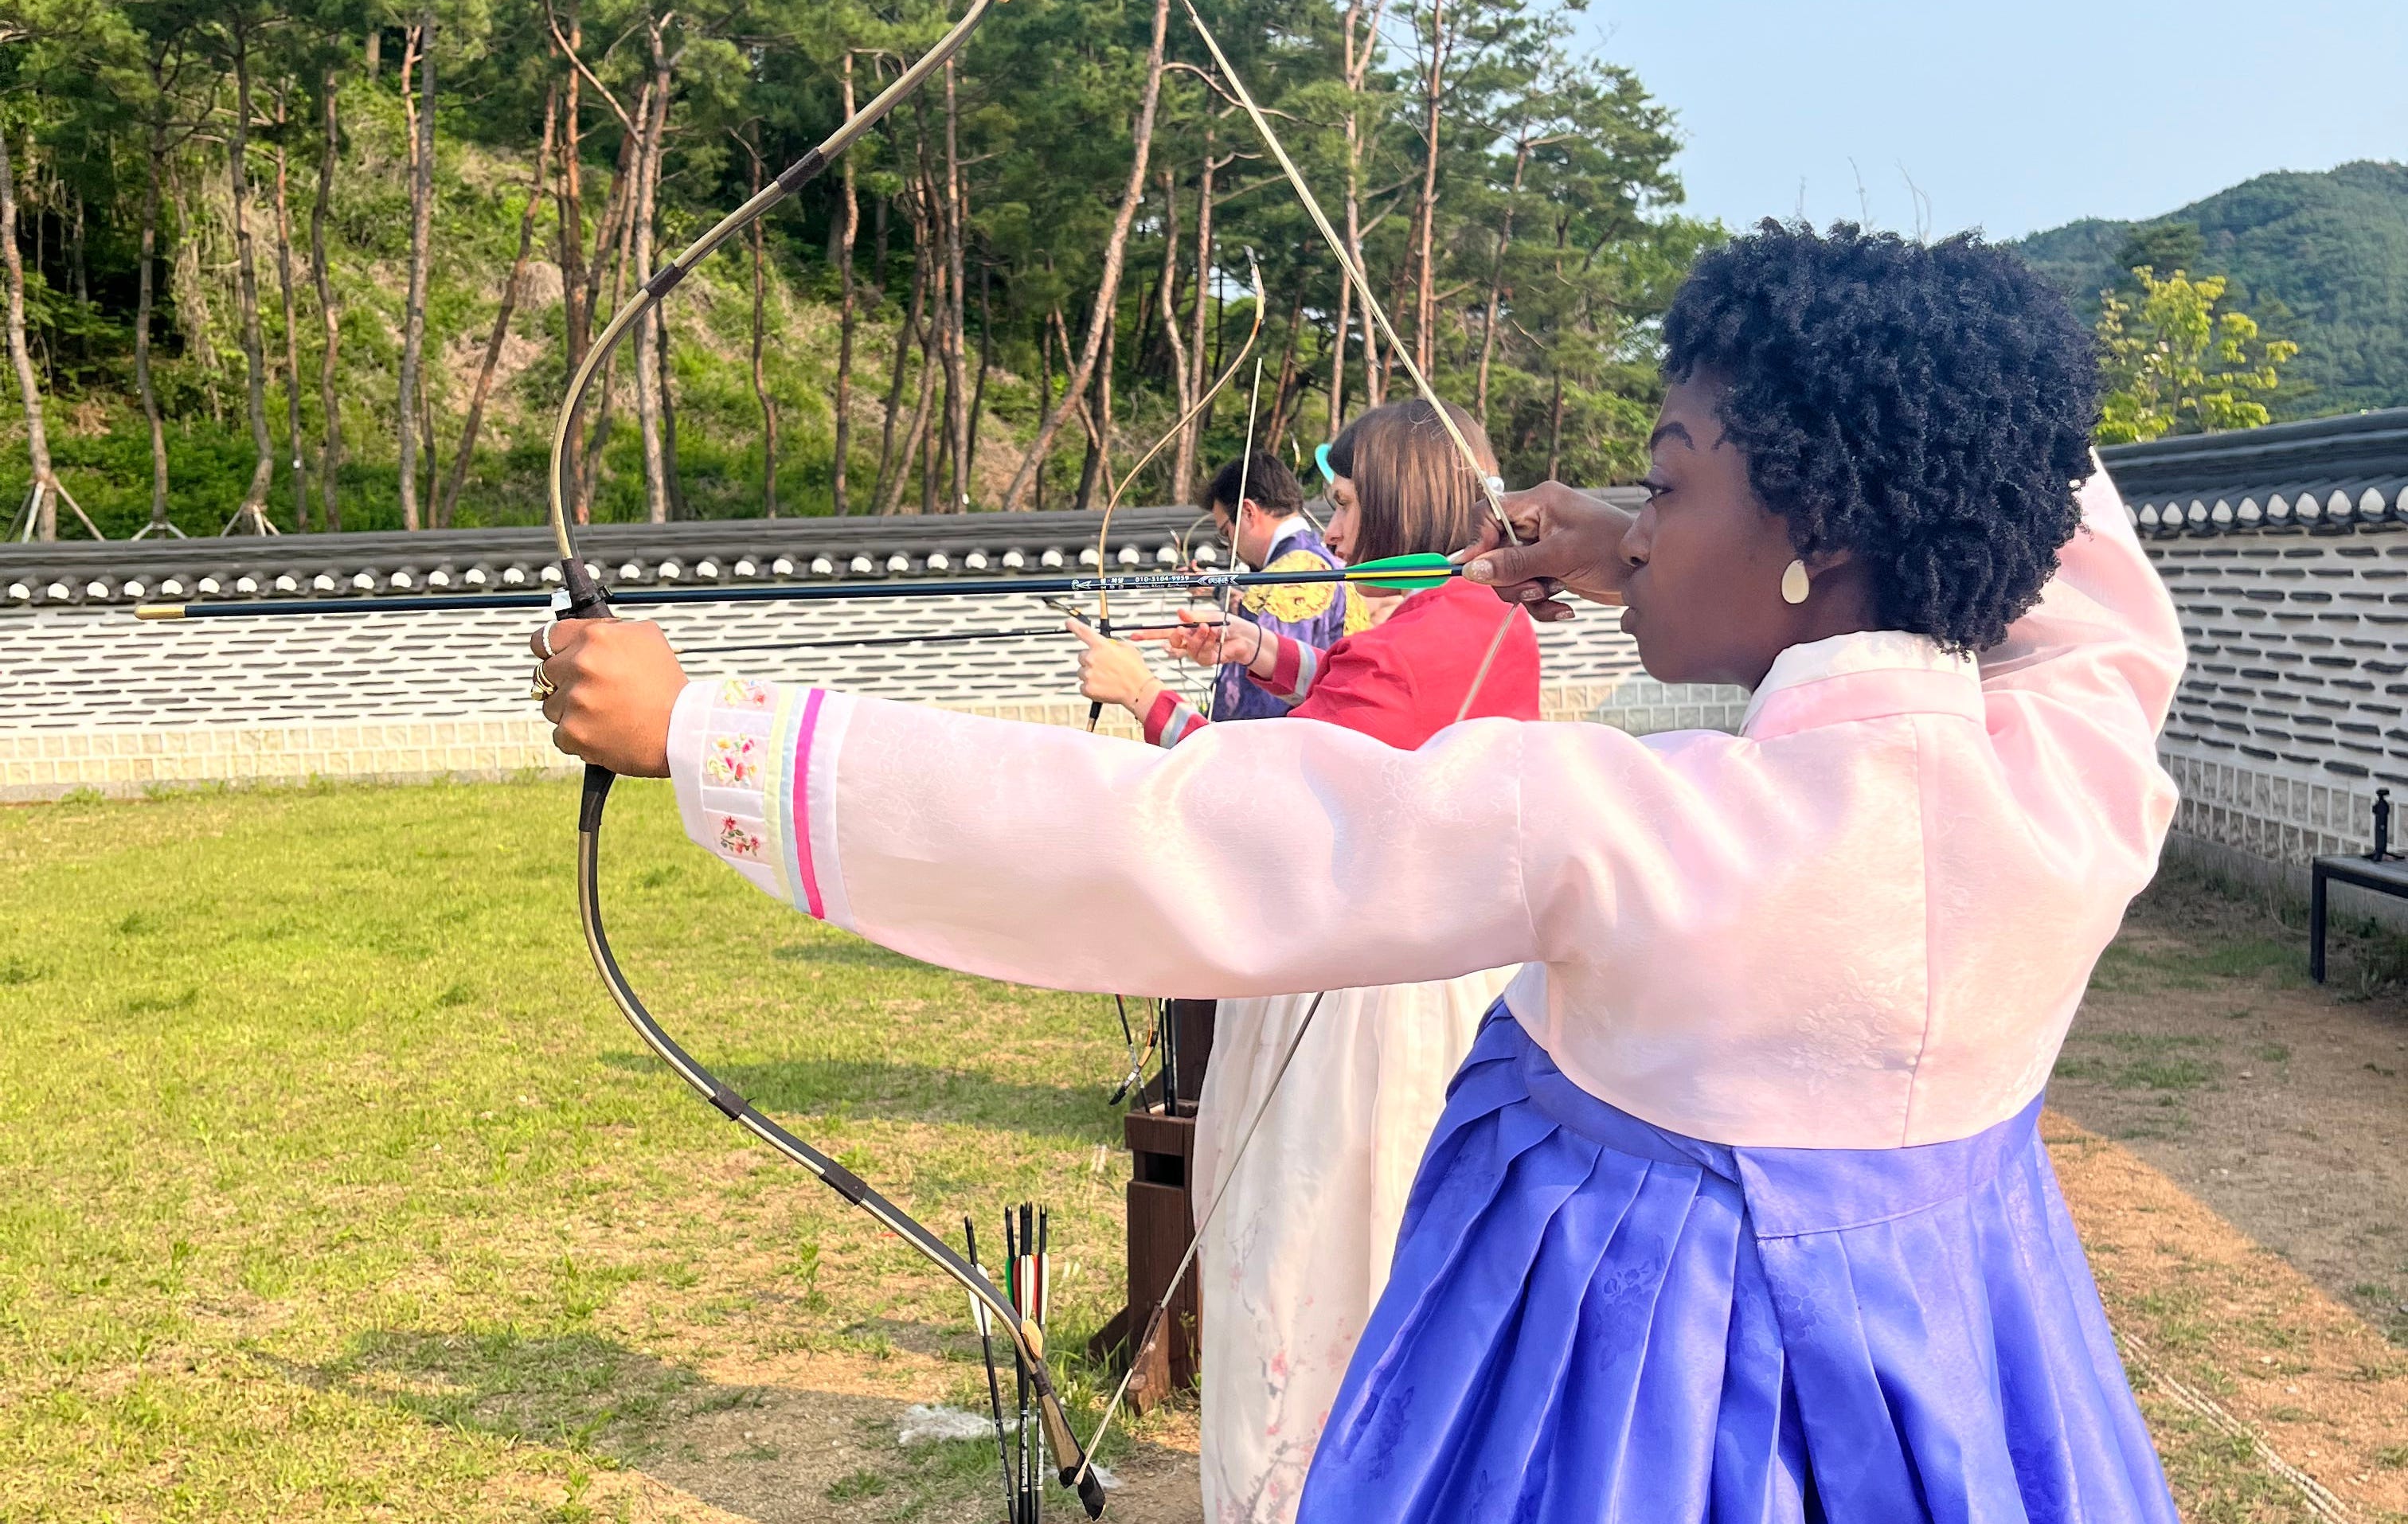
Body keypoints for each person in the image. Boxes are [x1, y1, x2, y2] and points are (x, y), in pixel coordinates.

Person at [534, 222, 2186, 1524]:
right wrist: (1669, 538)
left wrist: (703, 730)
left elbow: (1165, 838)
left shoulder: (1632, 825)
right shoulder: (2083, 778)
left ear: (1814, 533)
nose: (1628, 513)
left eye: (1667, 477)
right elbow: (2084, 561)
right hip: (1976, 1382)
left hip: (1641, 1429)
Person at [1069, 400, 1537, 1524]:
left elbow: (1253, 798)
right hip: (1456, 989)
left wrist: (1144, 699)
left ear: (1408, 505)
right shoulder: (1494, 627)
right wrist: (1260, 648)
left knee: (1310, 1254)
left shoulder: (1401, 654)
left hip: (1351, 1013)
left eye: (1345, 503)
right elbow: (1353, 694)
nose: (1332, 528)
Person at [1194, 451, 1351, 724]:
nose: (1230, 546)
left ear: (1248, 512)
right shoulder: (1320, 560)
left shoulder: (1293, 573)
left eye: (1226, 532)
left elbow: (1258, 703)